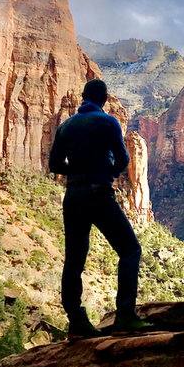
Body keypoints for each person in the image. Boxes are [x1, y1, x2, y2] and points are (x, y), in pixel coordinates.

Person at [49, 78, 151, 337]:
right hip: (98, 194)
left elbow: (55, 164)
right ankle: (126, 315)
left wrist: (78, 171)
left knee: (74, 260)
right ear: (104, 99)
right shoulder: (108, 122)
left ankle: (76, 322)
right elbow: (123, 159)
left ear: (84, 97)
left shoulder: (66, 126)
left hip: (73, 196)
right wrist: (104, 173)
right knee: (129, 249)